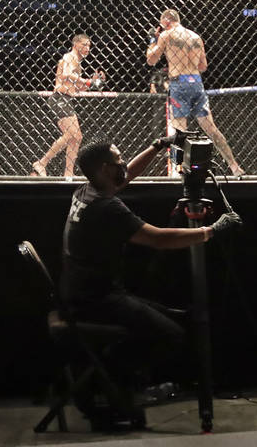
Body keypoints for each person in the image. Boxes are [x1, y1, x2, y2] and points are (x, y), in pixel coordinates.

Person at [62, 138, 241, 425]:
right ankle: (114, 385)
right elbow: (157, 238)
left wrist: (159, 146)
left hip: (80, 292)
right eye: (118, 159)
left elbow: (126, 176)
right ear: (105, 169)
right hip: (96, 299)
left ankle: (112, 382)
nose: (123, 163)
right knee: (171, 334)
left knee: (173, 316)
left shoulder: (86, 192)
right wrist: (211, 231)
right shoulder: (107, 208)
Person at [145, 9, 243, 175]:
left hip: (178, 83)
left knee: (178, 131)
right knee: (211, 129)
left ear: (166, 21)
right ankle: (234, 166)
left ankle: (177, 172)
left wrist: (153, 40)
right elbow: (203, 66)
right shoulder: (196, 37)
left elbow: (151, 60)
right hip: (196, 83)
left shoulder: (166, 35)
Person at [33, 34, 104, 178]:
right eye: (84, 44)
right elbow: (66, 74)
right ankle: (41, 162)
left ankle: (68, 173)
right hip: (59, 98)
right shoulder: (69, 57)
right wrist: (87, 81)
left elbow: (78, 88)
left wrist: (93, 82)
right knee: (71, 134)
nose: (87, 48)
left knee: (77, 137)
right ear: (75, 44)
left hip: (67, 99)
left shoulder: (77, 63)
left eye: (89, 46)